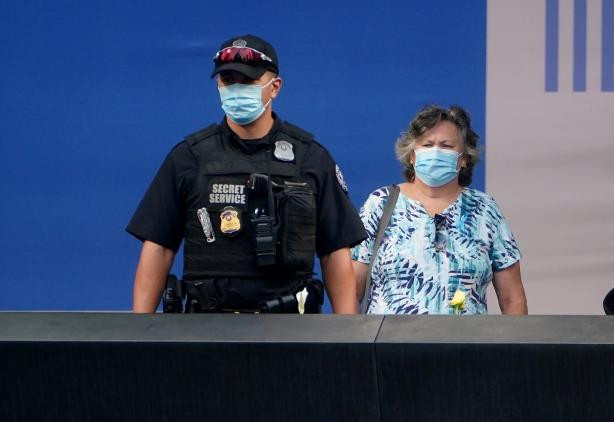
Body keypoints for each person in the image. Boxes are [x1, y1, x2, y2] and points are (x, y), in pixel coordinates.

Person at [128, 35, 365, 313]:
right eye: (228, 80)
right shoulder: (189, 157)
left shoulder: (310, 157)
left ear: (275, 87)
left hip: (291, 333)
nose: (236, 88)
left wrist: (347, 336)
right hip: (205, 331)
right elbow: (159, 248)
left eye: (248, 81)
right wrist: (140, 330)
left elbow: (334, 253)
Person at [352, 105, 527, 315]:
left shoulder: (485, 210)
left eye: (446, 146)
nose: (435, 152)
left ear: (463, 159)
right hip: (389, 345)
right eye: (427, 144)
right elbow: (352, 291)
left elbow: (512, 299)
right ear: (412, 156)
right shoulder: (380, 204)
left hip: (465, 345)